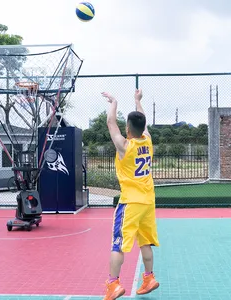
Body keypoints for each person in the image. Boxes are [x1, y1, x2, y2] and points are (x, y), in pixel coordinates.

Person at [101, 89, 160, 300]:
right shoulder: (148, 141)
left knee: (118, 244)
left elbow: (110, 123)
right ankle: (149, 278)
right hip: (148, 201)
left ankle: (113, 284)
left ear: (128, 128)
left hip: (130, 203)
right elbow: (143, 123)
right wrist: (137, 101)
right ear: (142, 128)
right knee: (145, 241)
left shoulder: (125, 147)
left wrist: (114, 102)